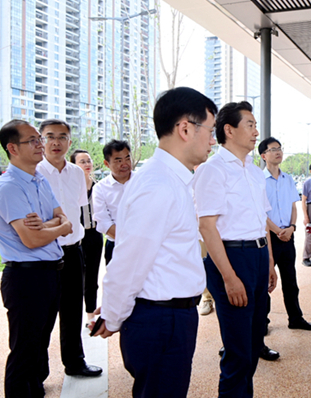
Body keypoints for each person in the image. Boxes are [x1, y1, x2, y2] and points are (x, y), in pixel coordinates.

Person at [92, 87, 218, 398]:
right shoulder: (158, 185)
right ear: (186, 128)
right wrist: (112, 312)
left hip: (168, 317)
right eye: (211, 131)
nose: (212, 141)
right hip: (160, 321)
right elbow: (129, 261)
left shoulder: (169, 179)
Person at [195, 101, 277, 397]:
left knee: (255, 341)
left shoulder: (254, 172)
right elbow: (207, 227)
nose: (256, 132)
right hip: (231, 259)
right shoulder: (213, 170)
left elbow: (261, 223)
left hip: (256, 256)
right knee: (238, 349)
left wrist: (268, 263)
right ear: (229, 130)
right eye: (250, 125)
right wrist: (229, 277)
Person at [0, 119, 73, 398]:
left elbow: (65, 219)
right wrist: (57, 227)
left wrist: (51, 226)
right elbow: (31, 240)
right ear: (12, 148)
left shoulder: (39, 179)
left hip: (50, 272)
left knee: (39, 345)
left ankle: (34, 391)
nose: (40, 145)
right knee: (24, 349)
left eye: (37, 140)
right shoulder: (9, 187)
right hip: (25, 277)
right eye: (32, 140)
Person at [37, 119, 102, 377]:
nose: (56, 142)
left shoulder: (77, 173)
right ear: (41, 141)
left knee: (73, 311)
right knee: (42, 317)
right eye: (50, 136)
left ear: (69, 142)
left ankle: (75, 362)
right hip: (44, 253)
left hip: (74, 250)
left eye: (62, 137)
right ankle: (38, 372)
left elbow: (77, 207)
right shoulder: (35, 173)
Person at [259, 137, 311, 332]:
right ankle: (263, 323)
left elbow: (293, 205)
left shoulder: (288, 179)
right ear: (263, 155)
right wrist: (277, 230)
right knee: (265, 282)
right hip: (269, 238)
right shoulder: (259, 180)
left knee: (290, 281)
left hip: (288, 236)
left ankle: (295, 318)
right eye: (273, 149)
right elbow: (259, 212)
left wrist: (292, 227)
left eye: (280, 148)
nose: (278, 152)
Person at [71, 149, 103, 326]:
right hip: (77, 237)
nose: (87, 164)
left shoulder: (98, 186)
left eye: (88, 160)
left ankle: (91, 315)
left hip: (94, 235)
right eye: (82, 161)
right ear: (74, 165)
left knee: (92, 276)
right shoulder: (71, 188)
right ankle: (73, 316)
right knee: (77, 278)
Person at [92, 139, 133, 265]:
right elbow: (104, 222)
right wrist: (131, 240)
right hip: (116, 246)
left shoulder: (144, 182)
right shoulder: (100, 188)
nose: (125, 164)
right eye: (118, 160)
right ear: (106, 163)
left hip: (146, 246)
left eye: (127, 158)